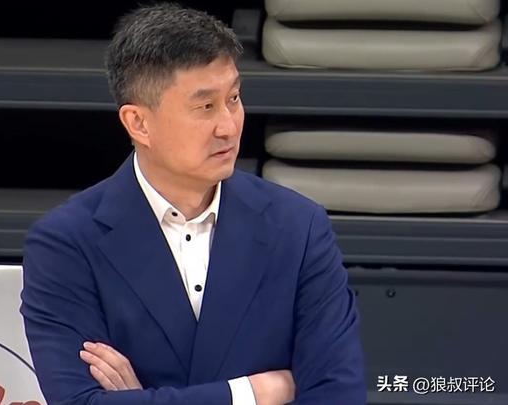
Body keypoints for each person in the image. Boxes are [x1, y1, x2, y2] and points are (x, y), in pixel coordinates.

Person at [20, 3, 365, 404]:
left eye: (233, 98)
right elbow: (79, 402)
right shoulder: (66, 243)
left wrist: (143, 399)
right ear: (138, 123)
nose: (229, 126)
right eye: (205, 107)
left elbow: (338, 393)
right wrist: (252, 393)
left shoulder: (298, 227)